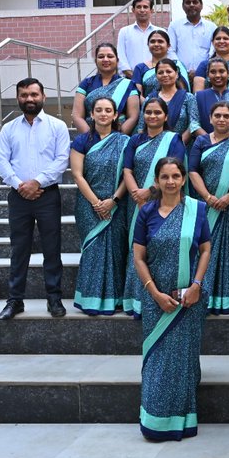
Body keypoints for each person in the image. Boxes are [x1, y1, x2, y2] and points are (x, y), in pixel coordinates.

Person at [133, 156, 212, 441]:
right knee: (157, 358)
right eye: (164, 177)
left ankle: (183, 419)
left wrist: (196, 286)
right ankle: (154, 420)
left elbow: (205, 249)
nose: (170, 182)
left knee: (183, 359)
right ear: (156, 180)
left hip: (188, 298)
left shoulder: (197, 210)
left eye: (175, 176)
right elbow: (139, 257)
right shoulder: (146, 212)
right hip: (157, 298)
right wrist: (154, 292)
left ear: (183, 179)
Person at [0, 78, 70, 320]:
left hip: (47, 195)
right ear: (18, 98)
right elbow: (2, 162)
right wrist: (20, 185)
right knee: (19, 248)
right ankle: (15, 300)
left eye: (34, 94)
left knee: (52, 248)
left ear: (43, 96)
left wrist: (37, 182)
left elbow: (62, 160)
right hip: (18, 197)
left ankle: (54, 298)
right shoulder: (8, 129)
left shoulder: (57, 126)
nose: (29, 99)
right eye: (24, 95)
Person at [121, 97, 185, 316]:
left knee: (159, 245)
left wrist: (150, 192)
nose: (152, 116)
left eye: (157, 112)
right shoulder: (135, 140)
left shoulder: (173, 139)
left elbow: (174, 170)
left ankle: (164, 294)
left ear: (165, 116)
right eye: (148, 112)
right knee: (138, 247)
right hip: (136, 202)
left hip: (164, 200)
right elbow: (127, 169)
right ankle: (138, 299)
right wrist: (137, 195)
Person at [70, 96, 130, 315]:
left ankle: (114, 299)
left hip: (117, 203)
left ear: (115, 115)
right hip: (89, 205)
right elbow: (77, 175)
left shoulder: (124, 141)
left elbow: (128, 175)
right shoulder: (82, 141)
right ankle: (91, 300)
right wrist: (96, 203)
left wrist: (113, 201)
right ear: (91, 114)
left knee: (116, 250)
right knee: (94, 250)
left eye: (108, 110)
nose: (103, 114)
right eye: (99, 110)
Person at [188, 101, 229, 315]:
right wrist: (208, 197)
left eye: (226, 116)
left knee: (228, 250)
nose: (222, 119)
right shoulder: (201, 141)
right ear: (210, 118)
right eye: (218, 115)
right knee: (204, 249)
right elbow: (192, 170)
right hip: (205, 206)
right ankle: (202, 295)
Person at [74, 43, 140, 135]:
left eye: (110, 56)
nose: (105, 59)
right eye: (101, 57)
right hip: (90, 140)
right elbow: (77, 116)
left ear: (117, 60)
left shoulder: (128, 84)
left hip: (118, 140)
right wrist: (91, 138)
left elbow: (133, 116)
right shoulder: (86, 83)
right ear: (96, 60)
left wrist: (116, 138)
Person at [193, 58, 229, 134]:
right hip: (206, 143)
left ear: (228, 74)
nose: (217, 75)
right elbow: (194, 124)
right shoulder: (199, 96)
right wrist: (210, 140)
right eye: (213, 72)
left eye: (221, 71)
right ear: (208, 75)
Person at [132, 30, 190, 102]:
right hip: (151, 110)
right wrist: (152, 106)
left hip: (177, 107)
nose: (156, 44)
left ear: (168, 45)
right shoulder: (140, 68)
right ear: (148, 45)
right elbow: (137, 94)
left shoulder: (177, 65)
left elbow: (184, 91)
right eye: (152, 41)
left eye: (160, 41)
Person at [193, 27, 229, 94]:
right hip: (207, 103)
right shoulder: (204, 65)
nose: (221, 41)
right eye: (218, 39)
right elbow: (197, 95)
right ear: (212, 42)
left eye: (225, 38)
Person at [151, 58, 196, 144]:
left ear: (176, 74)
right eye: (160, 72)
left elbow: (193, 124)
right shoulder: (150, 99)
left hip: (181, 147)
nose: (164, 75)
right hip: (154, 147)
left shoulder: (188, 98)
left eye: (168, 71)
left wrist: (176, 144)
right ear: (156, 76)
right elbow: (142, 127)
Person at [170, 0, 215, 74]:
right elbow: (171, 51)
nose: (191, 5)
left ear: (201, 5)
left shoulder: (211, 27)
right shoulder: (174, 26)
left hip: (205, 74)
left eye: (195, 2)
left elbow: (212, 52)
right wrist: (182, 70)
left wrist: (201, 70)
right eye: (188, 2)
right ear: (183, 6)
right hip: (181, 75)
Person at [116, 0, 158, 75]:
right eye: (139, 7)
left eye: (145, 7)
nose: (142, 10)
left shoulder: (160, 32)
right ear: (133, 10)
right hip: (130, 80)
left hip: (156, 79)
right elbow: (121, 57)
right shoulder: (124, 32)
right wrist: (134, 78)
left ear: (151, 10)